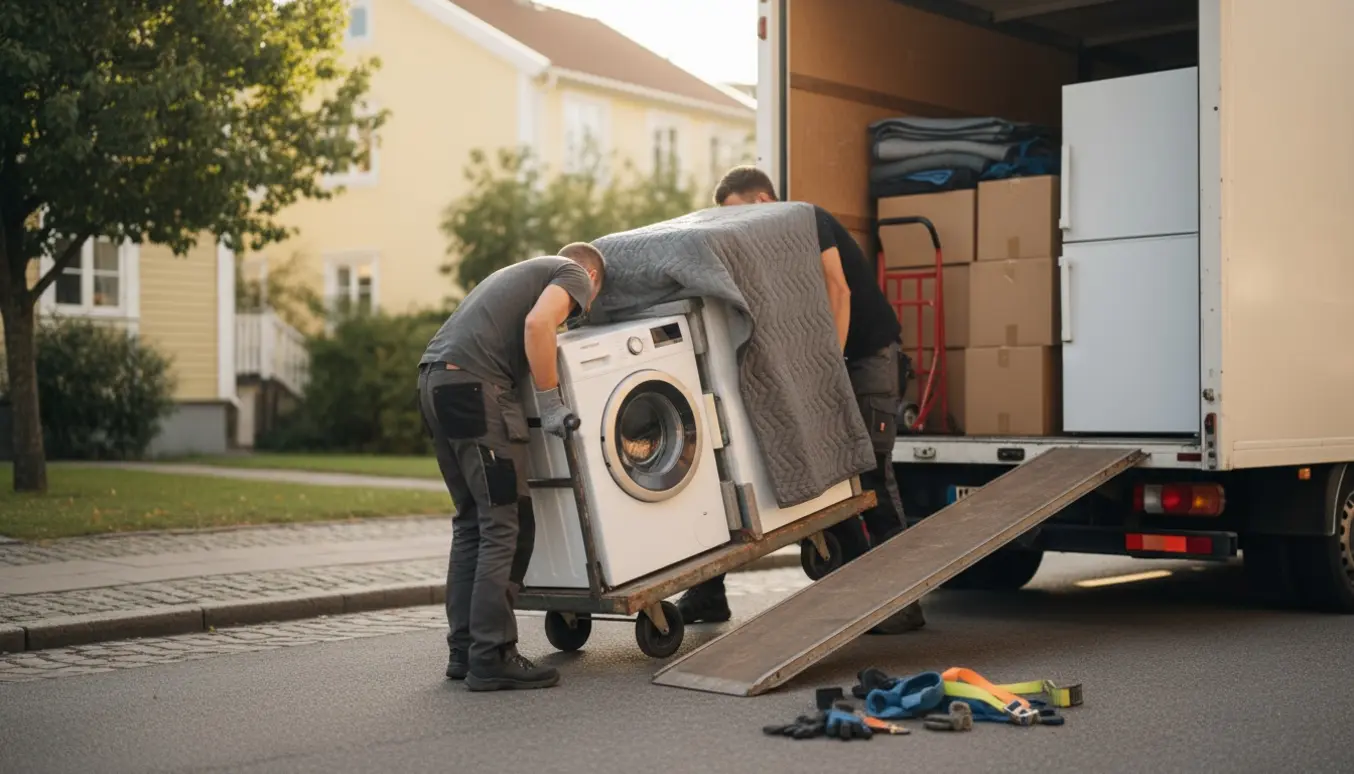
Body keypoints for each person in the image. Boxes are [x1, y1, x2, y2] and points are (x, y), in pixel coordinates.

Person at [675, 165, 925, 635]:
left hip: (867, 357)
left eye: (739, 215)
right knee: (773, 464)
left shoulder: (805, 218)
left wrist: (824, 365)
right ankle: (710, 593)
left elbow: (839, 289)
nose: (736, 228)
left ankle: (903, 600)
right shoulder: (766, 246)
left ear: (765, 202)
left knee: (869, 470)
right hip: (831, 357)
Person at [418, 243, 606, 691]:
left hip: (435, 383)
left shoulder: (522, 272)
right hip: (475, 391)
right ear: (593, 279)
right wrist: (552, 403)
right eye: (579, 312)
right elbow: (539, 323)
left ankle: (464, 651)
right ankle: (492, 655)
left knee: (472, 524)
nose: (575, 315)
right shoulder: (574, 273)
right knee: (507, 524)